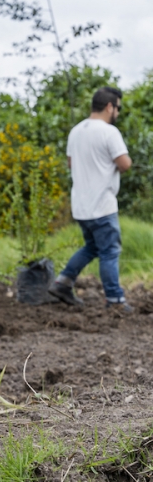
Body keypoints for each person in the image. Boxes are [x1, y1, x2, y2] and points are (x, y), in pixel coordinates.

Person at [48, 86, 134, 312]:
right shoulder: (109, 132)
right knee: (109, 251)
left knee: (92, 247)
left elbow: (70, 164)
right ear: (109, 106)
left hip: (81, 206)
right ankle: (115, 299)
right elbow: (125, 164)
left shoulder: (76, 131)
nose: (118, 113)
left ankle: (63, 283)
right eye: (118, 108)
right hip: (102, 205)